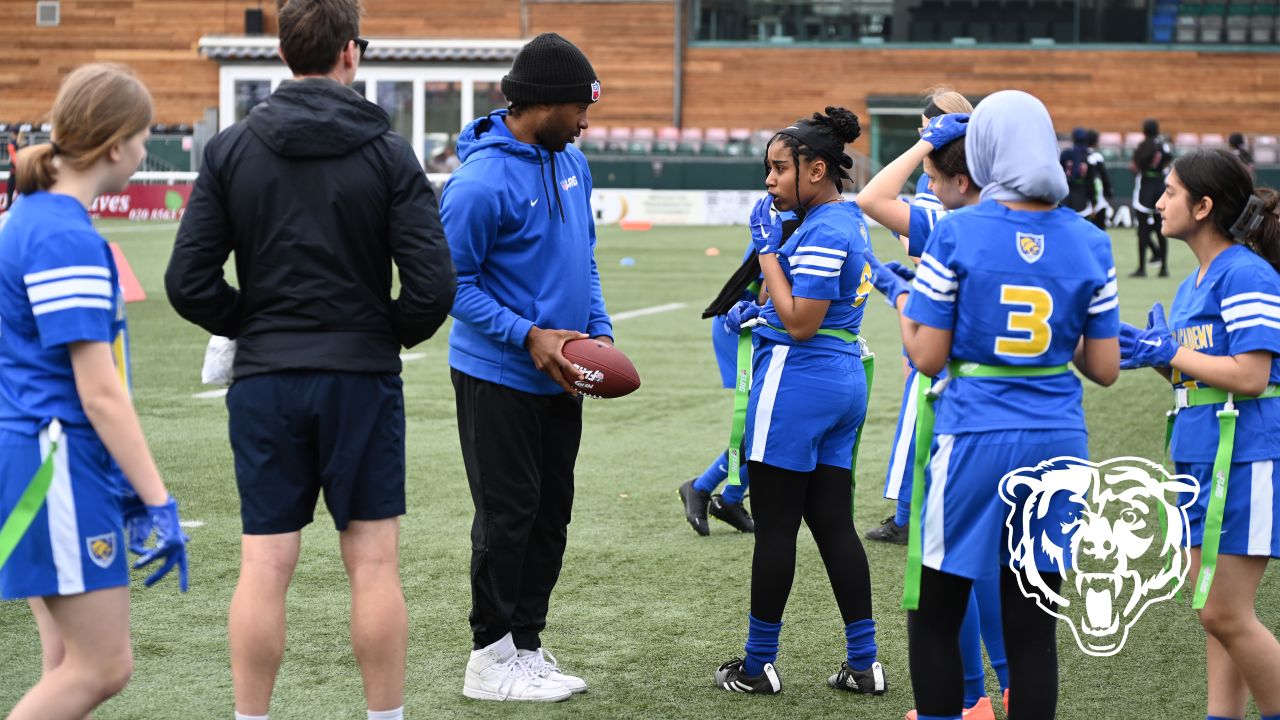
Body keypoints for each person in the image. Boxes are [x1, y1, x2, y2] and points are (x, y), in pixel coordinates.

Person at [165, 1, 456, 717]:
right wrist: (377, 333)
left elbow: (187, 282)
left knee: (264, 564)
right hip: (359, 377)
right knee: (374, 564)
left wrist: (253, 326)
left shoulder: (231, 149)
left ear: (284, 54)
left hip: (267, 380)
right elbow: (433, 286)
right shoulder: (388, 153)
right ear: (351, 53)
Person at [869, 90, 1119, 720]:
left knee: (937, 609)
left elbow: (926, 357)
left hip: (976, 431)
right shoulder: (1090, 241)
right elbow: (1104, 368)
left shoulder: (959, 231)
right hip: (1059, 438)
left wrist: (902, 303)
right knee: (1032, 624)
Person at [1, 62, 189, 720]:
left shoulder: (33, 216)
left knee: (63, 663)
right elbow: (100, 391)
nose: (146, 152)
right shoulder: (62, 233)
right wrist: (155, 497)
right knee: (100, 666)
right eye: (143, 138)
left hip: (40, 455)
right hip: (55, 459)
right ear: (115, 144)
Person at [441, 32, 609, 703]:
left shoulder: (572, 162)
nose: (587, 120)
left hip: (558, 373)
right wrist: (529, 334)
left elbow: (583, 258)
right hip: (497, 376)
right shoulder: (479, 182)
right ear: (543, 104)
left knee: (550, 515)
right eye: (580, 107)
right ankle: (488, 657)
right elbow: (449, 283)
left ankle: (527, 645)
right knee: (506, 516)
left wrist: (597, 331)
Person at [711, 106, 887, 698]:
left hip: (799, 378)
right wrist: (761, 304)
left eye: (778, 169)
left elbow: (802, 320)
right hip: (841, 381)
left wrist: (765, 252)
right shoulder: (845, 219)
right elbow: (797, 307)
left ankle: (759, 664)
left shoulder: (822, 228)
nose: (768, 181)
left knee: (777, 527)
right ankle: (864, 663)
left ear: (816, 170)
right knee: (833, 522)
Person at [856, 111, 1009, 720]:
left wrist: (925, 140)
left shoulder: (944, 219)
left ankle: (970, 697)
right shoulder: (1035, 221)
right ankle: (1011, 684)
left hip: (952, 397)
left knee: (947, 555)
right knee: (997, 555)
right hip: (1025, 407)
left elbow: (871, 196)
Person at [1118, 149, 1280, 720]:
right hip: (1198, 451)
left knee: (1222, 613)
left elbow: (1253, 376)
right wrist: (1158, 357)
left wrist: (1173, 351)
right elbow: (1201, 370)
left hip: (1247, 453)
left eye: (1170, 192)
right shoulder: (1195, 281)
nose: (1159, 202)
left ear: (1204, 206)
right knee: (1216, 612)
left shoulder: (1246, 272)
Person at [865, 88, 971, 546]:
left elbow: (874, 199)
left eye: (925, 130)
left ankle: (908, 515)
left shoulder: (943, 207)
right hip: (964, 332)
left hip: (939, 326)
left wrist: (926, 145)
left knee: (918, 417)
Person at [1132, 118, 1172, 277]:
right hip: (1160, 188)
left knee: (1143, 230)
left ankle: (1142, 269)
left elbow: (1137, 165)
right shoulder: (1164, 145)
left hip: (1145, 188)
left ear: (1144, 131)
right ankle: (1164, 269)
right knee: (1160, 229)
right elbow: (1168, 160)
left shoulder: (1143, 145)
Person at [1061, 127, 1097, 220]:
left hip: (1067, 197)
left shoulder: (1066, 154)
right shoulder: (1090, 156)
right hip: (1082, 199)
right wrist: (1094, 202)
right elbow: (1090, 182)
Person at [1085, 129, 1113, 231]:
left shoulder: (1080, 156)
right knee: (1099, 230)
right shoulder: (1096, 157)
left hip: (1081, 199)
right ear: (1095, 142)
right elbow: (1104, 177)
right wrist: (1108, 192)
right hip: (1096, 198)